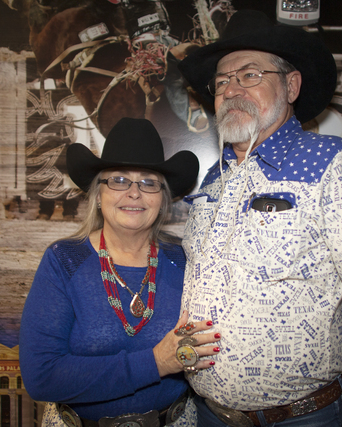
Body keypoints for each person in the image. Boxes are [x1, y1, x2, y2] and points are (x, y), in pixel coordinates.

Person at [177, 10, 342, 427]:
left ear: (291, 85)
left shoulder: (332, 165)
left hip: (298, 419)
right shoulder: (215, 179)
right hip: (208, 415)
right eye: (222, 81)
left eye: (251, 74)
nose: (232, 89)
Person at [19, 117, 220, 426]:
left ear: (163, 198)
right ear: (98, 195)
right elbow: (42, 377)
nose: (134, 192)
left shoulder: (184, 261)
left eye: (149, 182)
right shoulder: (64, 261)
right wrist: (156, 363)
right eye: (118, 179)